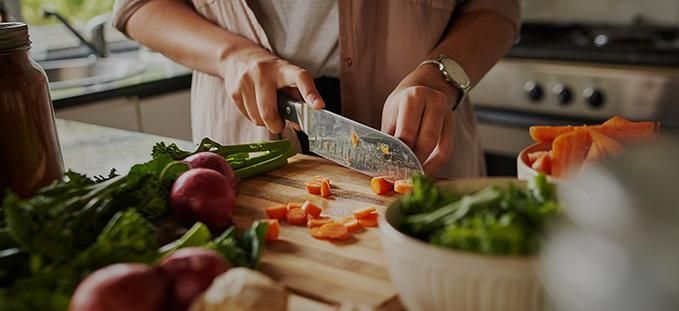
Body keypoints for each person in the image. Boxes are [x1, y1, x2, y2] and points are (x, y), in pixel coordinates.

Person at [112, 0, 519, 178]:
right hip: (252, 127)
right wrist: (231, 56)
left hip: (421, 133)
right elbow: (138, 6)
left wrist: (440, 76)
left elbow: (496, 8)